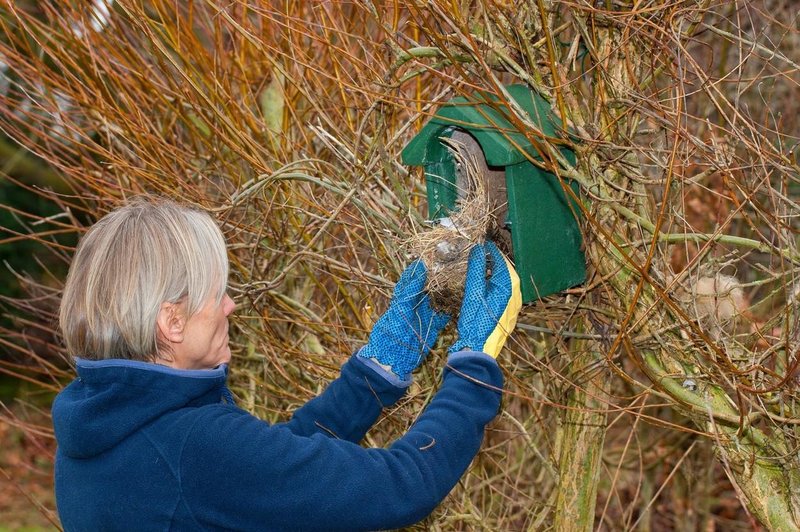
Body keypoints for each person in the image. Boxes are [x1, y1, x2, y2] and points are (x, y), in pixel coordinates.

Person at [52, 196, 522, 531]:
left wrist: (381, 366)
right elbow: (401, 485)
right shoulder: (194, 447)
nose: (231, 306)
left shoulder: (97, 429)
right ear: (171, 321)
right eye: (218, 293)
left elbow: (272, 472)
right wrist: (472, 363)